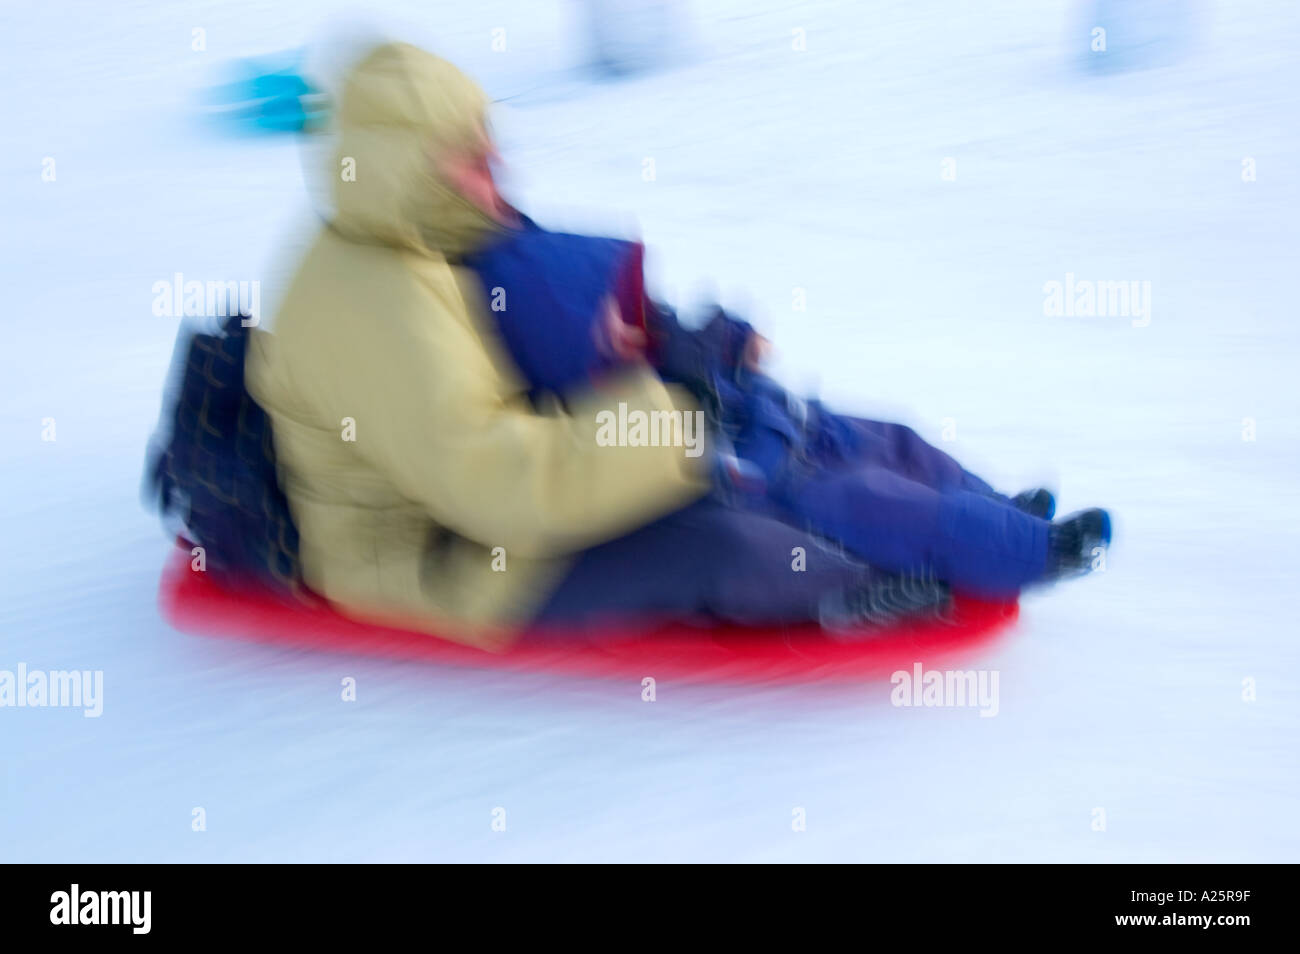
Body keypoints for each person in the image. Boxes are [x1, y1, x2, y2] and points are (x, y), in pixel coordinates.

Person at [245, 42, 924, 649]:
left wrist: (670, 351)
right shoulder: (376, 307)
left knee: (780, 439)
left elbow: (543, 317)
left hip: (497, 496)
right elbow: (498, 486)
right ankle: (851, 590)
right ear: (406, 169)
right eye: (473, 154)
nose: (498, 165)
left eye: (489, 141)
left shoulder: (425, 230)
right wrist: (676, 416)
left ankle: (947, 520)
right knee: (711, 542)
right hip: (442, 557)